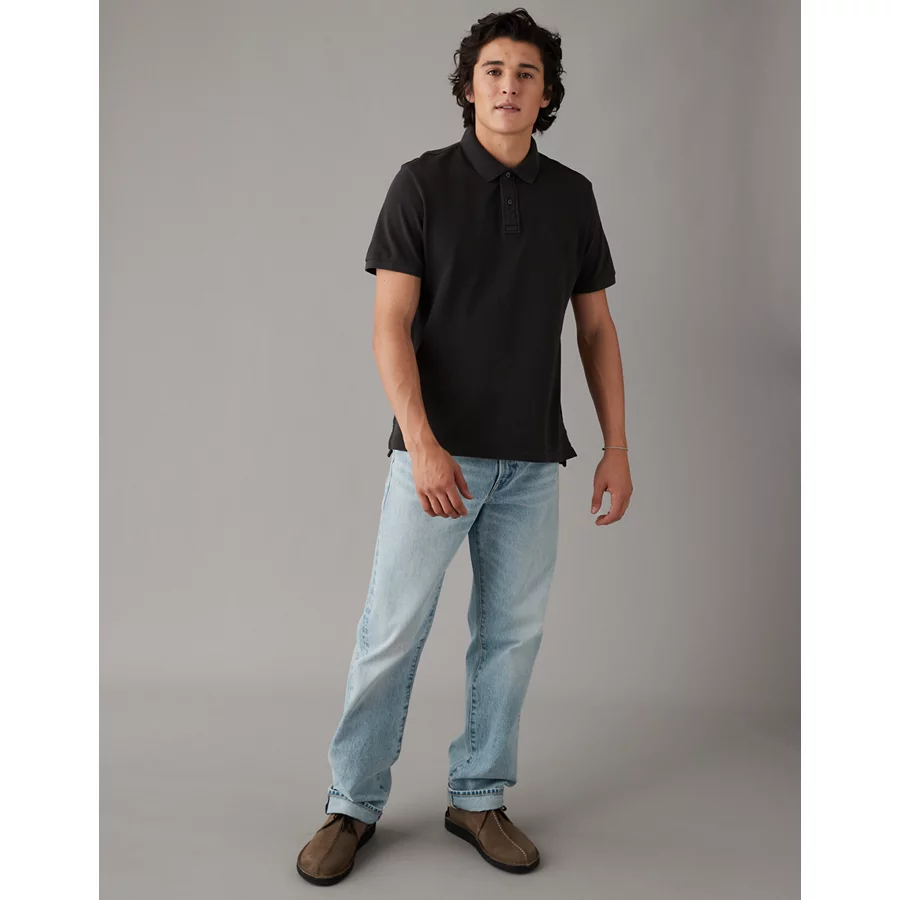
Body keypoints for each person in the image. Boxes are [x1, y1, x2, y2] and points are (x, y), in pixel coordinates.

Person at [297, 7, 632, 886]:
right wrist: (424, 445)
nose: (509, 86)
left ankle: (478, 796)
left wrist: (616, 445)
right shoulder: (421, 185)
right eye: (494, 71)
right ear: (469, 86)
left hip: (532, 462)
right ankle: (351, 803)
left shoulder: (573, 197)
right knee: (391, 632)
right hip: (434, 459)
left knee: (510, 638)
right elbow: (389, 326)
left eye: (526, 73)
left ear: (546, 94)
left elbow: (596, 329)